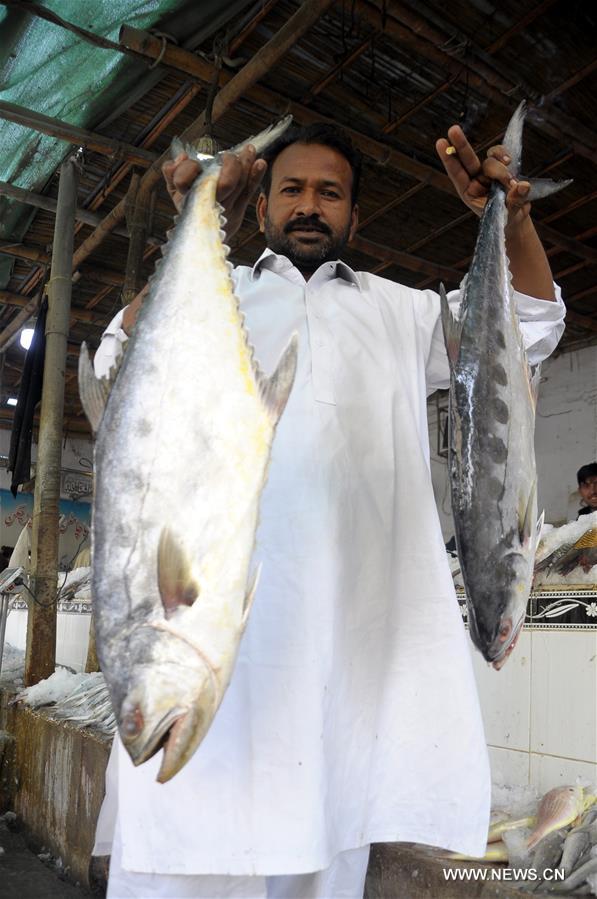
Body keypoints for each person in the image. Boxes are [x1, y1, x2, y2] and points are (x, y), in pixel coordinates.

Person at [92, 120, 565, 899]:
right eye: (291, 189)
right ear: (266, 206)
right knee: (178, 854)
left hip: (344, 677)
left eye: (329, 193)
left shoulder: (407, 313)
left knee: (323, 849)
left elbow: (533, 327)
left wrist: (510, 218)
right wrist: (201, 218)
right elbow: (117, 357)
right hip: (209, 666)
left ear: (354, 215)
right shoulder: (222, 297)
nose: (308, 205)